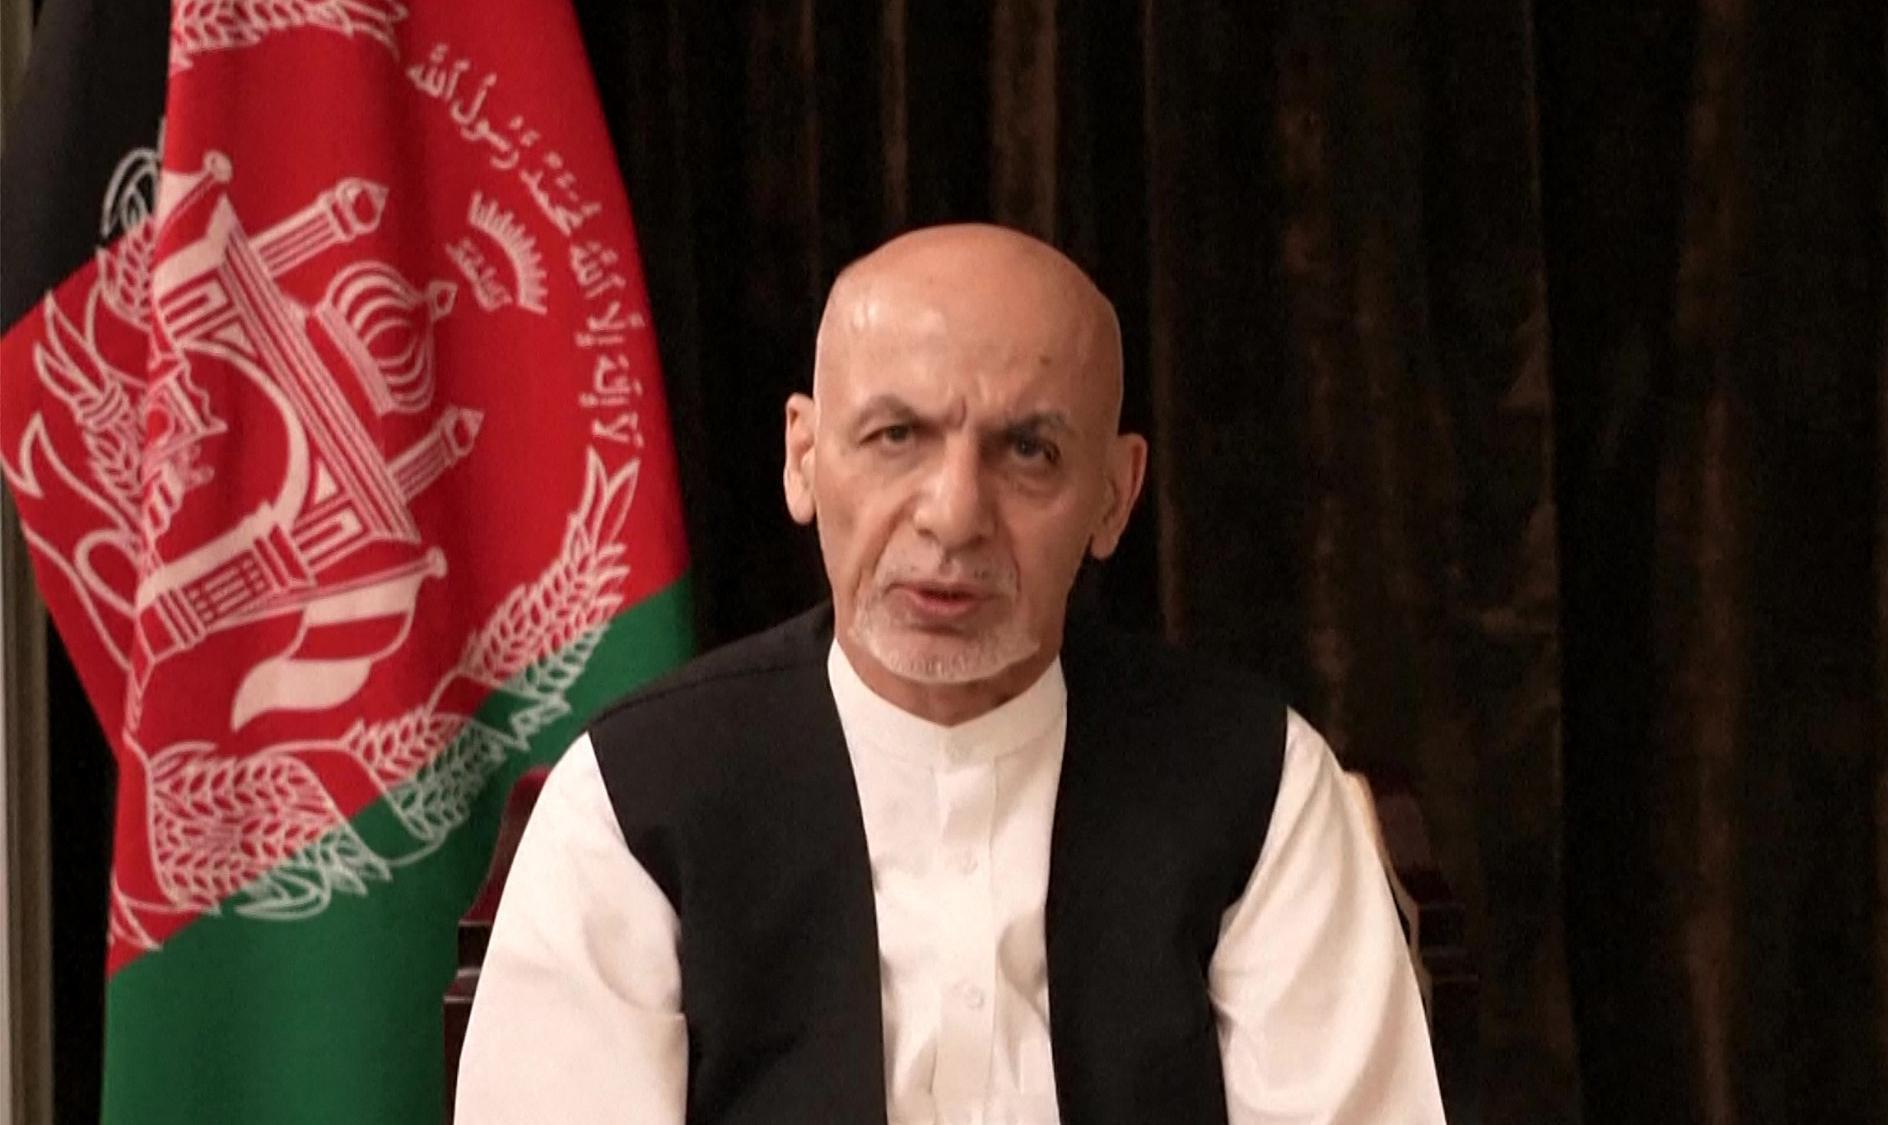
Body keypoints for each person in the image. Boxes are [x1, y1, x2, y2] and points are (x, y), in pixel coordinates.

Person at [455, 224, 1447, 1124]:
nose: (954, 515)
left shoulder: (1260, 785)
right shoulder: (631, 800)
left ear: (1113, 494)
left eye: (1028, 451)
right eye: (897, 437)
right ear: (804, 458)